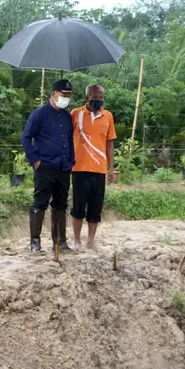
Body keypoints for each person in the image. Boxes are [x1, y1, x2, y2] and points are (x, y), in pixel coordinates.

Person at [21, 79, 76, 255]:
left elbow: (69, 139)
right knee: (40, 202)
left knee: (61, 203)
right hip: (45, 165)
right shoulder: (39, 114)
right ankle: (35, 242)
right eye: (63, 95)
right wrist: (35, 160)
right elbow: (26, 137)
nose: (66, 98)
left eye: (68, 96)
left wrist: (71, 160)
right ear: (53, 94)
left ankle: (60, 241)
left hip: (63, 166)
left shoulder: (67, 116)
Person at [71, 83, 117, 250]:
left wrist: (110, 168)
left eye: (100, 97)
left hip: (99, 170)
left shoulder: (108, 116)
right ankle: (77, 240)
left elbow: (109, 144)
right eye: (94, 97)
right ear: (87, 98)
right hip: (79, 168)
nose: (98, 100)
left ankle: (91, 240)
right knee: (78, 207)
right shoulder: (75, 114)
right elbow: (67, 138)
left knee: (95, 208)